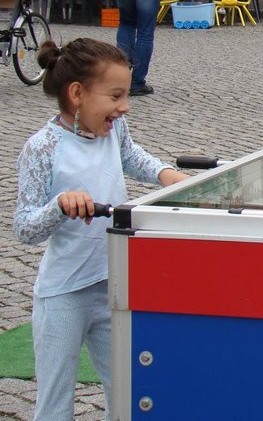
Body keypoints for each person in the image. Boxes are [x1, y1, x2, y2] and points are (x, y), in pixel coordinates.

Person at [14, 38, 187, 421]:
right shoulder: (42, 148)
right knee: (55, 404)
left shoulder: (115, 129)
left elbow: (131, 156)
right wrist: (60, 206)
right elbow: (25, 227)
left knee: (128, 391)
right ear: (77, 93)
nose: (124, 106)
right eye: (115, 96)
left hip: (114, 284)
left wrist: (166, 175)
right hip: (64, 293)